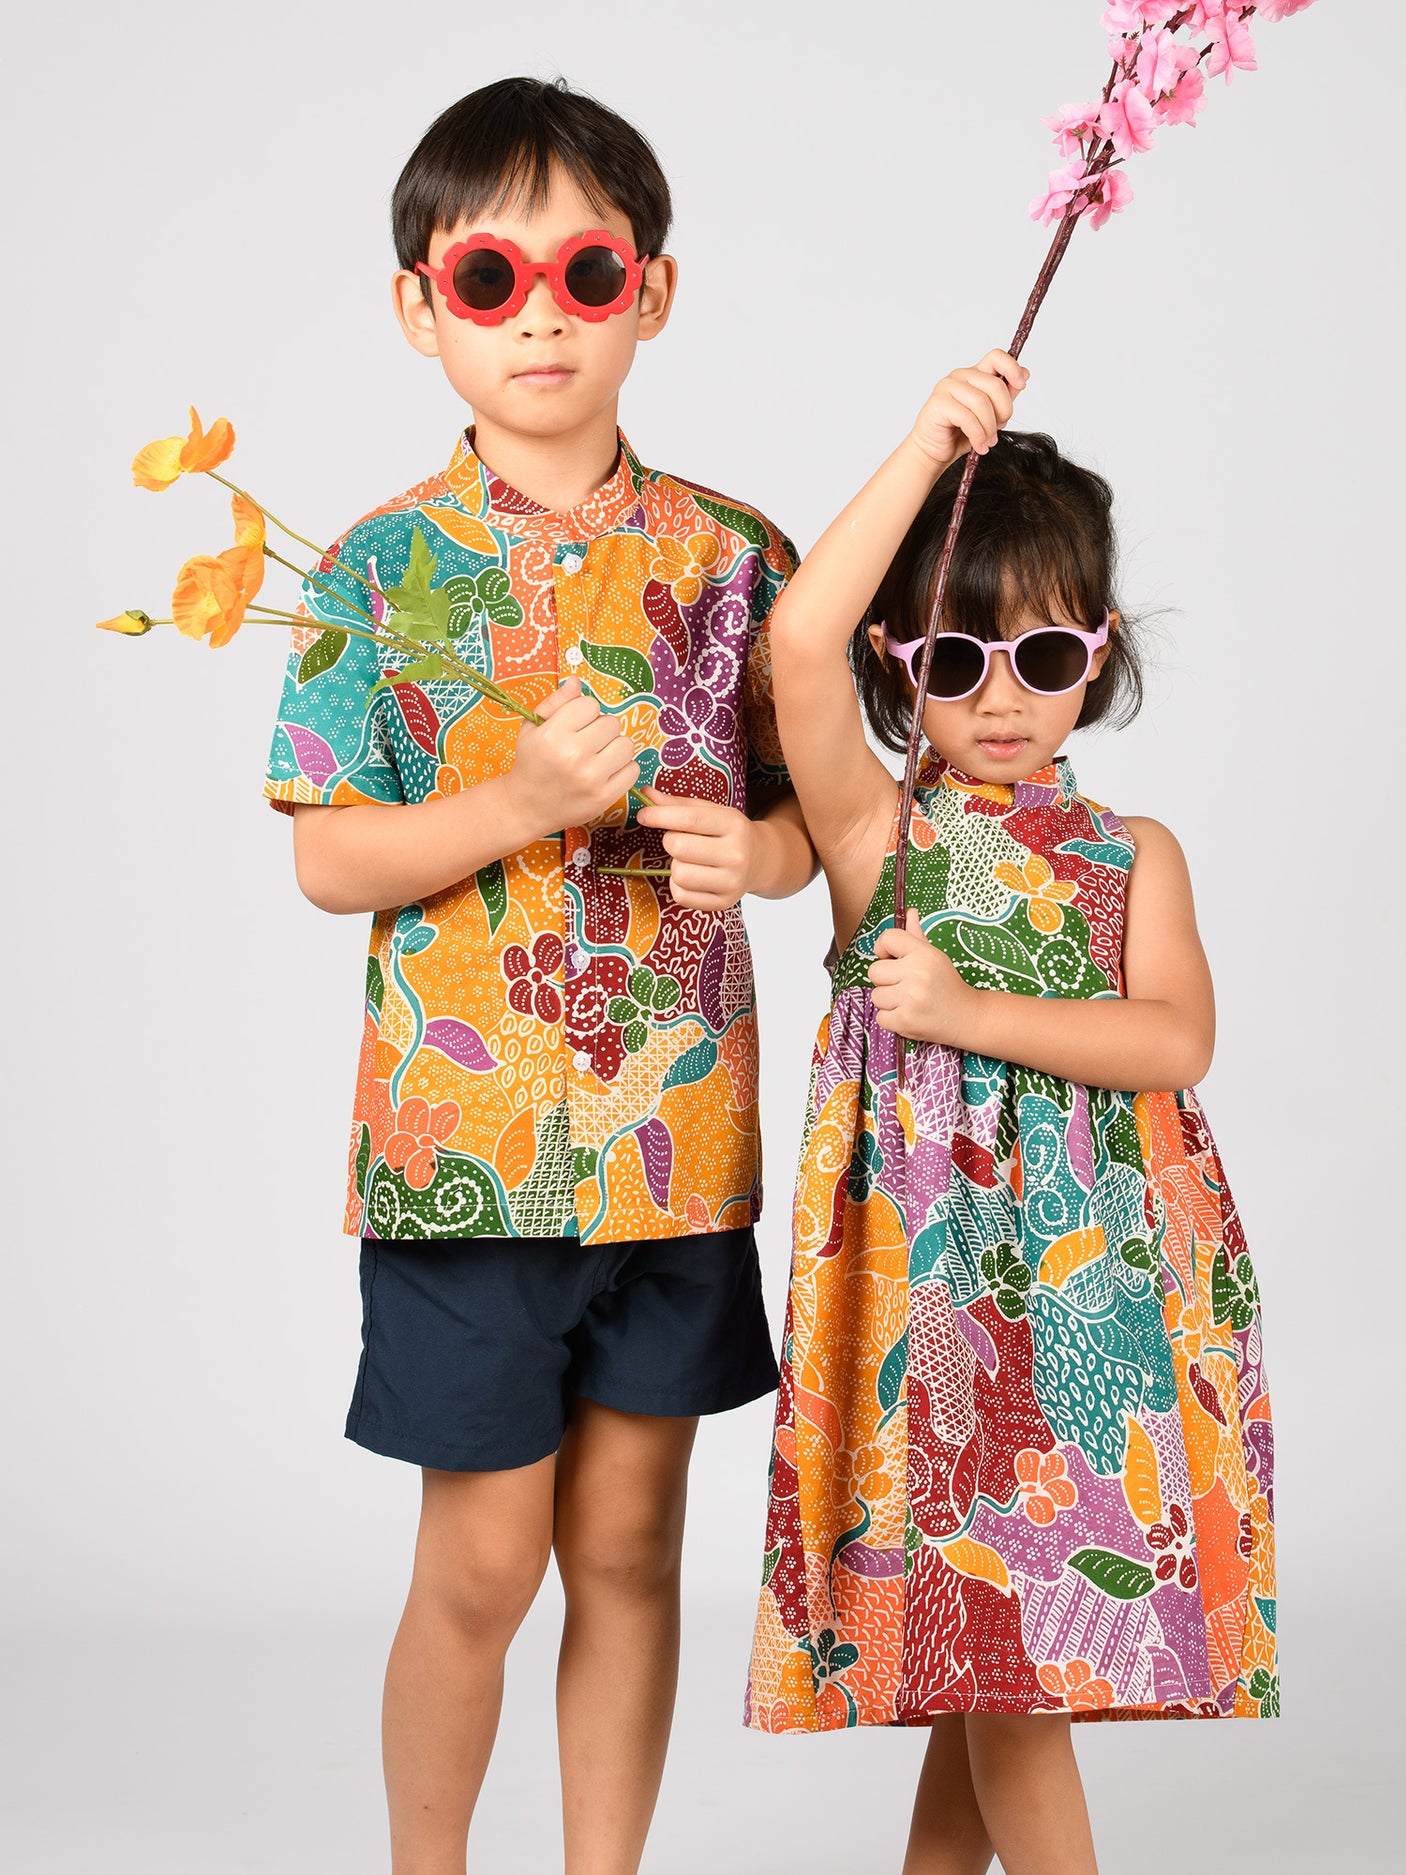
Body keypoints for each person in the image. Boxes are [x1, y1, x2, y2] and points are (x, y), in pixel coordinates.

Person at [263, 77, 817, 1875]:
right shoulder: (373, 574)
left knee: (637, 1550)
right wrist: (510, 803)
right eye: (490, 280)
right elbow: (330, 854)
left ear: (653, 291)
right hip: (469, 1152)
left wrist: (770, 856)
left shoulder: (742, 563)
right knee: (484, 1563)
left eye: (587, 273)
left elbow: (824, 819)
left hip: (673, 1147)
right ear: (421, 306)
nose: (544, 320)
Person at [747, 353, 1277, 1874]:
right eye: (954, 656)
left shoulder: (1136, 853)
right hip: (941, 1307)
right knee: (999, 1657)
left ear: (1096, 660)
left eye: (1043, 658)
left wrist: (970, 1014)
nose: (998, 697)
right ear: (897, 660)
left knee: (1013, 1659)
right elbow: (795, 636)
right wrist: (924, 449)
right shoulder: (876, 831)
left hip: (1107, 1298)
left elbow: (1177, 1038)